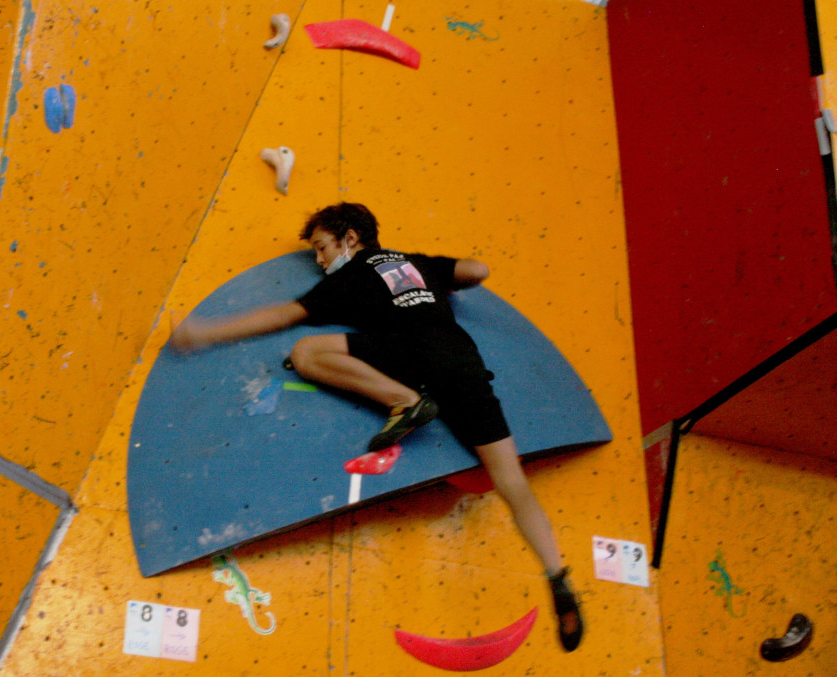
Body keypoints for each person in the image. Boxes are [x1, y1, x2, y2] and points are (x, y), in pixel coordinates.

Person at [170, 202, 583, 651]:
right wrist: (434, 281)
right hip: (464, 363)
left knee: (307, 352)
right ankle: (557, 576)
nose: (320, 260)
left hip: (410, 354)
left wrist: (203, 333)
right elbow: (477, 270)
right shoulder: (416, 264)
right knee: (511, 481)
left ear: (350, 238)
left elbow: (283, 314)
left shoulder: (349, 277)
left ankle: (402, 401)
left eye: (322, 247)